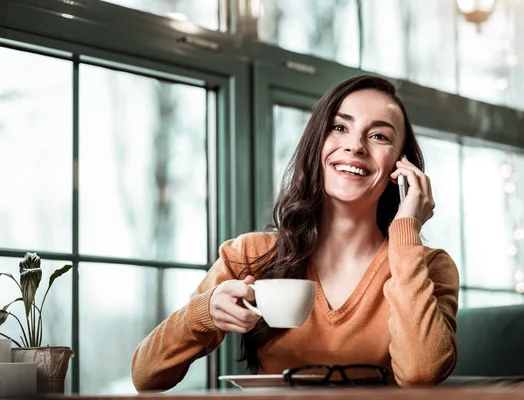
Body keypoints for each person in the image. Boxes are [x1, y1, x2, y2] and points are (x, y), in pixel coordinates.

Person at [131, 75, 459, 392]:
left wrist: (406, 230)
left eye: (379, 136)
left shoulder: (429, 267)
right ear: (316, 143)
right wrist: (204, 312)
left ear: (400, 167)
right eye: (339, 127)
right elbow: (146, 375)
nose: (355, 146)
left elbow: (421, 373)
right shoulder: (248, 255)